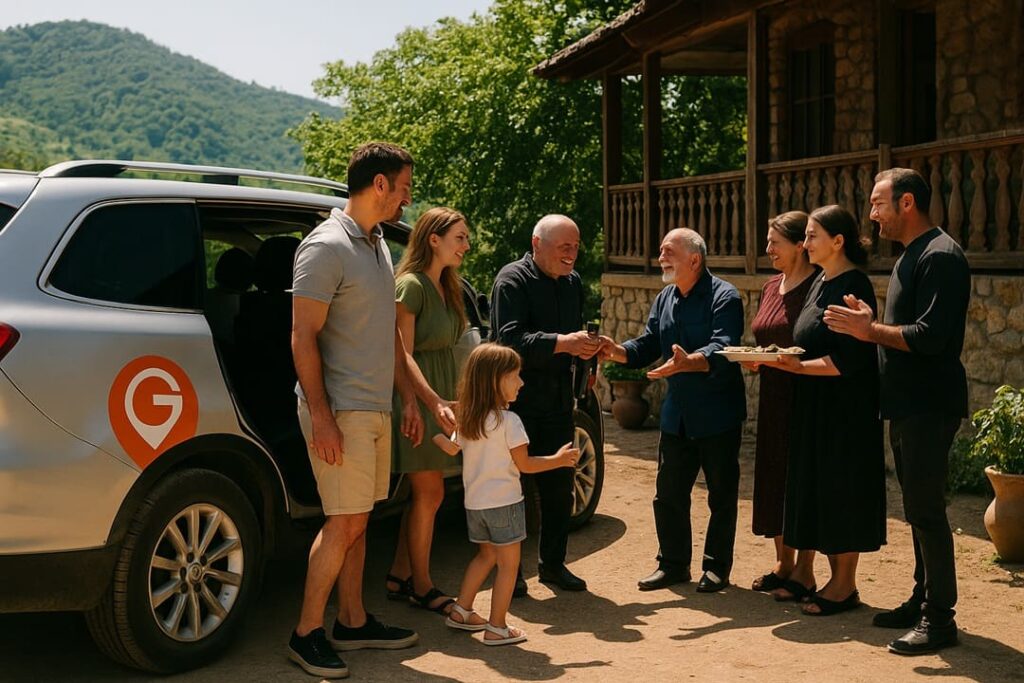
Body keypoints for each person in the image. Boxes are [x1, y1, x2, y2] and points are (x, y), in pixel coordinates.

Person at [287, 142, 430, 679]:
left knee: (360, 521)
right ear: (378, 186)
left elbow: (389, 335)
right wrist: (322, 416)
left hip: (374, 408)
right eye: (404, 187)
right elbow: (303, 336)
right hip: (340, 411)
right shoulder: (324, 246)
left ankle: (351, 620)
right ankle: (305, 633)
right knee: (343, 520)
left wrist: (410, 397)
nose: (407, 198)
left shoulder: (375, 246)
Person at [824, 168, 970, 654]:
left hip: (930, 407)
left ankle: (940, 620)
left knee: (927, 512)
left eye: (877, 203)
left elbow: (930, 338)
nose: (871, 214)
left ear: (907, 203)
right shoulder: (912, 255)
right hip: (906, 406)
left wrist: (870, 331)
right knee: (915, 510)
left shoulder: (942, 257)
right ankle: (921, 598)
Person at [756, 205, 886, 617]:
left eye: (812, 236)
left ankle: (845, 584)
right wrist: (783, 358)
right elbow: (807, 341)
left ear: (838, 241)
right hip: (815, 402)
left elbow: (850, 358)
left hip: (844, 407)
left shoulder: (854, 285)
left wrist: (797, 366)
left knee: (842, 489)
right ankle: (813, 576)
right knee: (817, 488)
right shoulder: (819, 283)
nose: (806, 243)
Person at [600, 227, 746, 593]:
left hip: (717, 414)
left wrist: (691, 361)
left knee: (721, 496)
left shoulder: (724, 296)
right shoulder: (665, 297)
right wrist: (615, 350)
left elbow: (724, 345)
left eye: (668, 251)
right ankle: (673, 565)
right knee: (668, 494)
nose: (661, 257)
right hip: (676, 414)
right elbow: (649, 342)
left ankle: (716, 568)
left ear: (694, 259)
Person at [432, 343, 579, 645]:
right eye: (515, 376)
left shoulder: (470, 421)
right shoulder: (510, 422)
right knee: (508, 566)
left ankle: (461, 610)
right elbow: (525, 465)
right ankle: (497, 626)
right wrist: (558, 460)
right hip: (505, 505)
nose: (522, 383)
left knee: (485, 556)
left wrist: (433, 434)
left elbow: (450, 447)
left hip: (475, 506)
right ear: (495, 381)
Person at [489, 214, 600, 595]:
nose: (572, 254)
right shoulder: (512, 280)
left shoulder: (573, 283)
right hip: (514, 403)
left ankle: (553, 565)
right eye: (563, 247)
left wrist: (587, 358)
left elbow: (578, 333)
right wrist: (563, 342)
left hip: (557, 402)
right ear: (537, 244)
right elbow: (510, 341)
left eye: (575, 246)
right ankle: (511, 574)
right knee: (513, 492)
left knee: (560, 490)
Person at [385, 207, 471, 615]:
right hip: (416, 401)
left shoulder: (447, 285)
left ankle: (400, 575)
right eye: (459, 237)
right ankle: (422, 585)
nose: (466, 245)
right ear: (433, 239)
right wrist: (424, 402)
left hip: (439, 400)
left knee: (424, 495)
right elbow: (401, 353)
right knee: (430, 492)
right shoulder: (411, 286)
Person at [740, 212, 818, 599]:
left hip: (805, 394)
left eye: (775, 243)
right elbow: (768, 336)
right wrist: (757, 357)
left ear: (800, 244)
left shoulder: (818, 286)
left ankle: (805, 570)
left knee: (801, 478)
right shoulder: (772, 285)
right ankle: (782, 562)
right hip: (772, 392)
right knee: (773, 475)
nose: (767, 249)